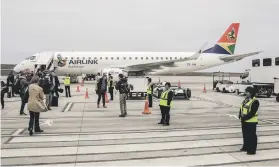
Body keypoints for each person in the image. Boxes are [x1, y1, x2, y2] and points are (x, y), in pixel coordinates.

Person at [239, 87, 259, 155]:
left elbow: (252, 112)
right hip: (244, 121)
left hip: (251, 122)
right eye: (245, 91)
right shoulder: (246, 99)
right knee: (245, 135)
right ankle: (246, 147)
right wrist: (240, 116)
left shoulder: (255, 101)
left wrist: (245, 117)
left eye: (247, 92)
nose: (245, 93)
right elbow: (242, 108)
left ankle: (252, 150)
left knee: (251, 136)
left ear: (251, 93)